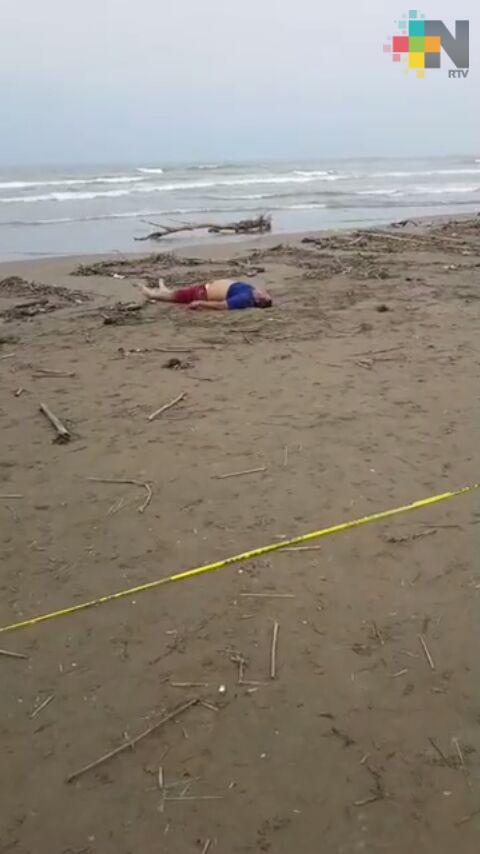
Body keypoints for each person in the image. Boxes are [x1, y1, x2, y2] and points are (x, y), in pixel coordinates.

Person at [140, 278, 272, 311]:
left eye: (263, 295)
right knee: (179, 294)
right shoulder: (251, 292)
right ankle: (164, 291)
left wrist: (200, 303)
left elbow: (222, 305)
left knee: (178, 296)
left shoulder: (244, 299)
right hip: (206, 288)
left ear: (258, 300)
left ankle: (152, 295)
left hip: (203, 294)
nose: (261, 291)